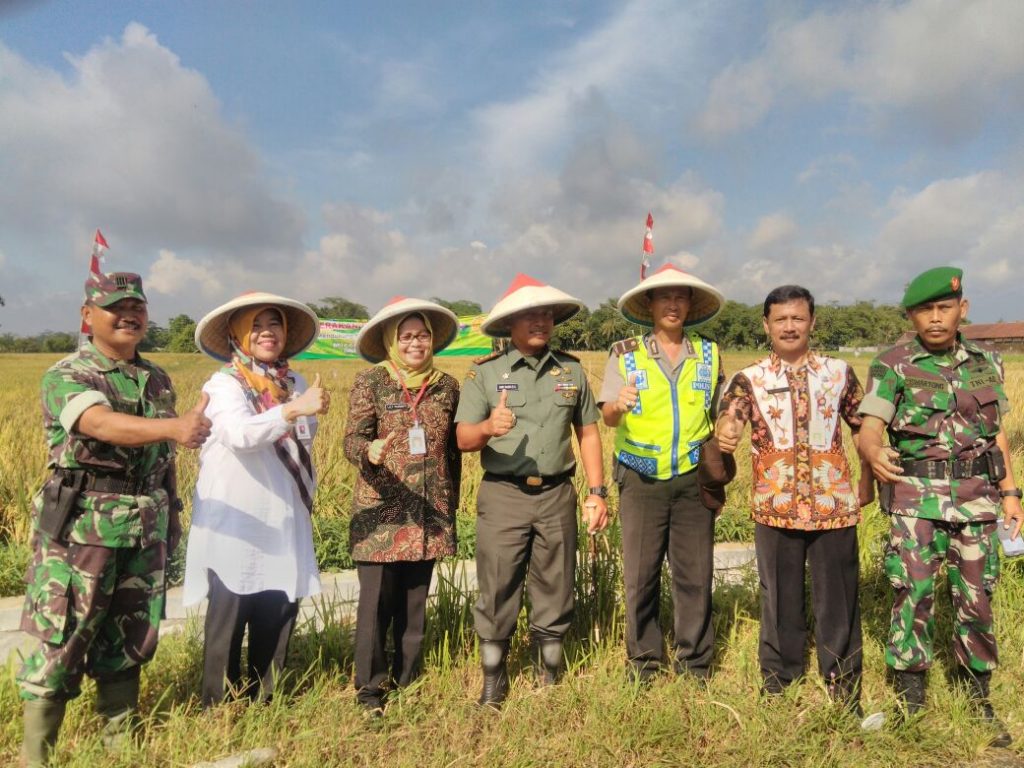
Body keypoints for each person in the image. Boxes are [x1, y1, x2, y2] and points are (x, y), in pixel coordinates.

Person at [18, 270, 211, 767]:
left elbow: (163, 460)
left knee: (130, 636)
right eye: (115, 308)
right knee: (61, 635)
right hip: (84, 529)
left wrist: (171, 519)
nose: (130, 315)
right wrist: (173, 426)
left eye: (138, 308)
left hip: (143, 524)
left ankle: (118, 749)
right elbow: (97, 423)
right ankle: (35, 755)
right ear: (87, 317)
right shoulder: (68, 373)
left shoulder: (156, 377)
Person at [858, 266, 1022, 746]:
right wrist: (870, 450)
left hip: (977, 500)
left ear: (961, 309)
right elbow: (871, 426)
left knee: (977, 597)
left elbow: (997, 435)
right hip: (916, 503)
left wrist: (1011, 493)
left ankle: (979, 697)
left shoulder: (986, 360)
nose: (935, 318)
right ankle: (912, 699)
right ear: (911, 315)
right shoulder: (892, 363)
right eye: (924, 310)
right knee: (913, 593)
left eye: (944, 308)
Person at [715, 285, 872, 708]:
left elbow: (863, 427)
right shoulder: (750, 378)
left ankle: (844, 682)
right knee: (779, 595)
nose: (789, 326)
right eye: (780, 319)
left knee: (839, 595)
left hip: (833, 504)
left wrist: (869, 478)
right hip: (775, 505)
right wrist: (728, 429)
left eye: (797, 318)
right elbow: (732, 414)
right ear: (766, 325)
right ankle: (780, 680)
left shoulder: (840, 373)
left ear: (812, 322)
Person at [456, 273, 609, 708]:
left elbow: (589, 434)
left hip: (558, 494)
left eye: (546, 314)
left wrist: (597, 491)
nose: (540, 321)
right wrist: (488, 427)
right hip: (504, 495)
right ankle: (493, 679)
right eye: (529, 315)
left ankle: (550, 675)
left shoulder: (572, 370)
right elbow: (463, 438)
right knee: (498, 584)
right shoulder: (486, 374)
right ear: (509, 324)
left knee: (556, 583)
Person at [184, 292, 327, 708]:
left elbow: (303, 438)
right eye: (257, 325)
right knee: (228, 616)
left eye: (275, 323)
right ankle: (220, 707)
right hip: (238, 520)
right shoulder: (223, 384)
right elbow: (239, 435)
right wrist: (291, 411)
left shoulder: (295, 382)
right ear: (237, 334)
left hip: (282, 513)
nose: (268, 332)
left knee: (278, 609)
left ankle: (267, 700)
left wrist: (300, 409)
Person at [598, 264, 725, 683]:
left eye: (681, 297)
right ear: (649, 305)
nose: (673, 304)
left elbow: (718, 413)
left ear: (690, 305)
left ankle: (696, 664)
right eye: (664, 297)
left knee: (695, 574)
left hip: (692, 478)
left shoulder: (710, 352)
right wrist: (619, 402)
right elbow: (609, 418)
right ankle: (644, 663)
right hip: (640, 478)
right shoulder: (624, 353)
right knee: (640, 574)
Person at [343, 297, 462, 715]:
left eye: (423, 334)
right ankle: (370, 692)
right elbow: (350, 441)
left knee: (414, 606)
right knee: (376, 607)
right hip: (382, 514)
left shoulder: (448, 386)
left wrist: (450, 509)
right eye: (407, 336)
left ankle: (407, 681)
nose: (416, 343)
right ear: (392, 341)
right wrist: (369, 451)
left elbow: (453, 454)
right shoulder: (370, 383)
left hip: (428, 514)